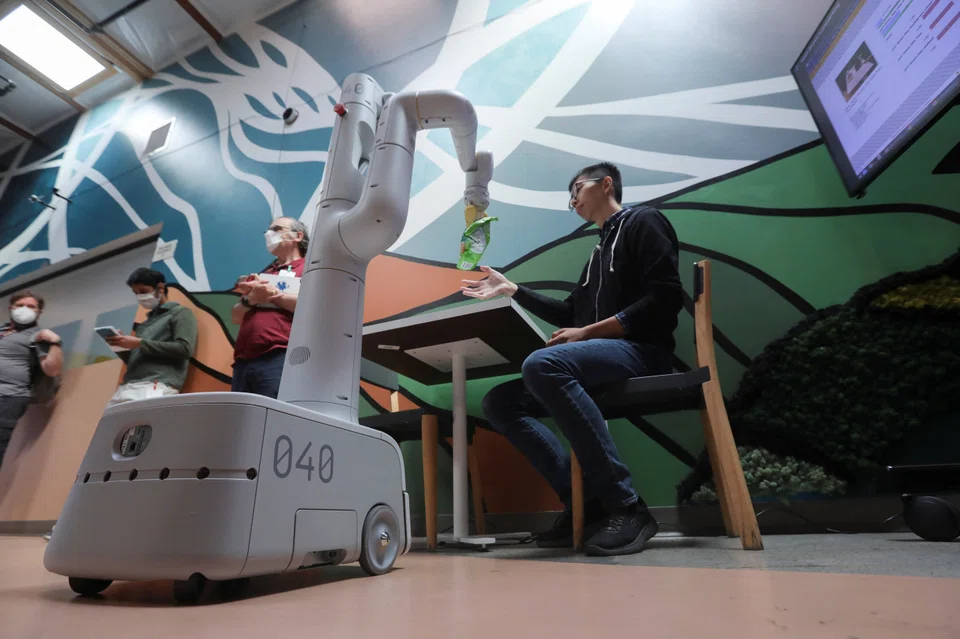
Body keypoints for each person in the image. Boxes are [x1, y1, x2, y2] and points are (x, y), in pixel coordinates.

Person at [461, 162, 684, 557]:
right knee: (500, 401)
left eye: (577, 189)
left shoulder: (643, 221)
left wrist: (588, 334)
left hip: (644, 353)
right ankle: (588, 505)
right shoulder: (598, 253)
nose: (573, 200)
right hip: (606, 358)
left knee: (543, 365)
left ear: (606, 184)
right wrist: (513, 290)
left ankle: (626, 506)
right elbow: (570, 315)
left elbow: (665, 300)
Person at [230, 217, 308, 398]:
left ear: (298, 236)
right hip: (243, 361)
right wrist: (250, 300)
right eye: (268, 230)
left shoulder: (310, 268)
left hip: (279, 357)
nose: (269, 234)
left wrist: (272, 295)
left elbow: (309, 307)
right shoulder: (264, 274)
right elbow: (235, 316)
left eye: (277, 229)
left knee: (273, 419)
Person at [105, 268, 198, 405]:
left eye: (143, 291)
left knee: (143, 426)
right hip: (128, 385)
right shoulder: (144, 324)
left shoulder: (180, 313)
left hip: (156, 384)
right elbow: (135, 359)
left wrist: (140, 343)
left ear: (160, 288)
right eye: (135, 293)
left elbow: (185, 349)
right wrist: (120, 345)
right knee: (109, 426)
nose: (139, 297)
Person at [0, 291, 63, 469]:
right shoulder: (2, 331)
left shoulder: (39, 336)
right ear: (10, 308)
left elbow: (52, 370)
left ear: (39, 312)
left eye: (31, 306)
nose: (25, 309)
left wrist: (56, 342)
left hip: (8, 397)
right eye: (20, 305)